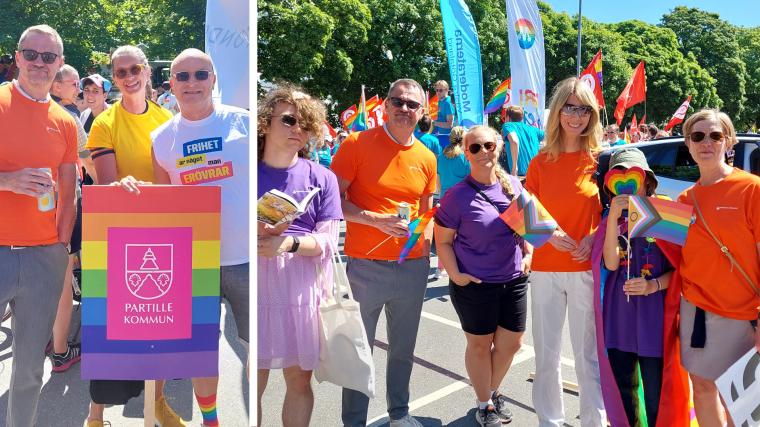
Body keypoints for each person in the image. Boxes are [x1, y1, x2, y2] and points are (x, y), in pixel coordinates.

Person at [117, 48, 249, 427]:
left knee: (257, 350)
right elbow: (165, 205)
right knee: (199, 353)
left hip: (247, 259)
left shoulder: (243, 122)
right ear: (170, 83)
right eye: (183, 76)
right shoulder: (161, 138)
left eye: (201, 75)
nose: (192, 83)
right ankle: (212, 421)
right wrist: (129, 185)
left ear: (213, 80)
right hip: (195, 262)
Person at [331, 78, 436, 427]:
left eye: (411, 104)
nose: (404, 109)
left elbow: (426, 212)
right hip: (365, 266)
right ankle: (354, 422)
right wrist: (374, 220)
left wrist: (424, 253)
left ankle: (400, 414)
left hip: (411, 268)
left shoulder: (427, 156)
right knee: (359, 351)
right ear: (386, 106)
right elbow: (333, 203)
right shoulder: (356, 144)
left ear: (422, 111)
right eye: (398, 101)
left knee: (403, 349)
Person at [84, 44, 178, 427]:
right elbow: (107, 183)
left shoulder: (167, 118)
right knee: (111, 332)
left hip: (163, 234)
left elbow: (174, 179)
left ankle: (157, 403)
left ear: (147, 70)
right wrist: (122, 183)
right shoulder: (104, 122)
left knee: (160, 326)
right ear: (114, 78)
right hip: (118, 236)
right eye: (120, 72)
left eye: (134, 68)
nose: (128, 76)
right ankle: (95, 416)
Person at [0, 24, 77, 427]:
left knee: (29, 369)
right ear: (17, 57)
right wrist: (6, 180)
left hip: (43, 257)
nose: (39, 63)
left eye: (49, 57)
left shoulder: (64, 121)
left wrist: (60, 247)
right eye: (32, 54)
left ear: (59, 64)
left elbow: (70, 191)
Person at [257, 84, 343, 427]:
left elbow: (328, 243)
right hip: (256, 284)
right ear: (266, 122)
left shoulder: (322, 177)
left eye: (306, 124)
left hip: (300, 287)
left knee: (298, 380)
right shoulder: (246, 171)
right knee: (253, 381)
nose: (299, 131)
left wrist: (288, 243)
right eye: (290, 120)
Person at [435, 125, 531, 426]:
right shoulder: (457, 196)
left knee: (511, 344)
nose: (483, 152)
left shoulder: (514, 186)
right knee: (479, 346)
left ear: (499, 147)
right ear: (466, 153)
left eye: (488, 145)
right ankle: (485, 403)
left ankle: (489, 390)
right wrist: (457, 275)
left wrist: (530, 253)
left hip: (514, 280)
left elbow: (530, 230)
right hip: (474, 285)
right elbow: (443, 242)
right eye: (474, 148)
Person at [524, 76, 606, 427]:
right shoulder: (540, 160)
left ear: (592, 115)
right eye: (569, 108)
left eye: (583, 109)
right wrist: (545, 232)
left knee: (588, 356)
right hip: (544, 268)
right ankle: (550, 421)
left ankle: (594, 421)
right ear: (557, 112)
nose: (575, 116)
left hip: (586, 269)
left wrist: (594, 238)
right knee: (547, 355)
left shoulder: (602, 161)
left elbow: (615, 213)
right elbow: (524, 214)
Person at [591, 148, 689, 427]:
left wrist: (653, 285)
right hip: (619, 320)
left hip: (654, 320)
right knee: (625, 392)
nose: (627, 183)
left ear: (647, 181)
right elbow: (610, 263)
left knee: (657, 394)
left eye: (633, 176)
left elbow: (683, 271)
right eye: (618, 176)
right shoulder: (610, 219)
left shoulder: (667, 215)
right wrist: (612, 219)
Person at [676, 109, 760, 426]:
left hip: (742, 318)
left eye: (715, 135)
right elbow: (675, 259)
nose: (706, 142)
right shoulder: (685, 199)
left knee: (742, 402)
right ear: (688, 143)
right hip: (696, 314)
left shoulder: (751, 189)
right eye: (698, 136)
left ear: (728, 140)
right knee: (702, 388)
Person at [501, 105, 545, 177]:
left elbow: (514, 141)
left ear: (508, 117)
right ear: (522, 118)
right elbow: (550, 138)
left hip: (520, 175)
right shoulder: (533, 129)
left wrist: (514, 168)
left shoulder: (508, 125)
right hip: (537, 173)